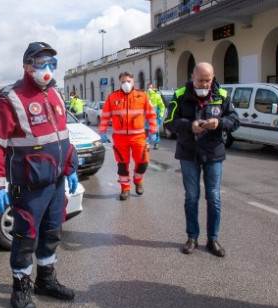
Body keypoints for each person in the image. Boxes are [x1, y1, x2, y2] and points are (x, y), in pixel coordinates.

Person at [0, 41, 80, 308]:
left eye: (52, 64)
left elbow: (63, 137)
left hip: (55, 182)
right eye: (41, 64)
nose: (47, 69)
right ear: (27, 66)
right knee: (26, 239)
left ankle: (45, 280)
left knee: (52, 233)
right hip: (28, 187)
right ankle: (21, 288)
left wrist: (71, 167)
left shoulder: (55, 95)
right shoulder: (10, 99)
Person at [164, 62, 239, 257]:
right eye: (200, 80)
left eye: (208, 80)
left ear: (213, 78)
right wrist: (190, 126)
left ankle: (213, 239)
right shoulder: (180, 95)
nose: (205, 84)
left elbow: (235, 120)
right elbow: (169, 122)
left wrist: (220, 122)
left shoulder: (222, 95)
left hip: (213, 153)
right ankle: (192, 237)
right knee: (191, 197)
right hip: (188, 153)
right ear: (192, 77)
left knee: (214, 197)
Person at [98, 71, 157, 201]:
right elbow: (105, 116)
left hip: (138, 137)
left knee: (143, 162)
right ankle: (125, 188)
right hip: (120, 138)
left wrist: (153, 131)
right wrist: (102, 131)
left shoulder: (142, 96)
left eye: (128, 81)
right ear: (120, 82)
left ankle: (138, 180)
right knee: (122, 165)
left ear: (133, 82)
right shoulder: (112, 97)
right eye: (123, 81)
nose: (126, 84)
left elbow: (151, 114)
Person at [146, 84, 166, 150]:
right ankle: (147, 144)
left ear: (153, 88)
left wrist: (160, 116)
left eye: (151, 87)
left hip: (155, 118)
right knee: (146, 131)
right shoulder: (144, 95)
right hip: (146, 118)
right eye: (148, 87)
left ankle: (156, 143)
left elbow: (162, 106)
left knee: (156, 131)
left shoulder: (157, 96)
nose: (149, 89)